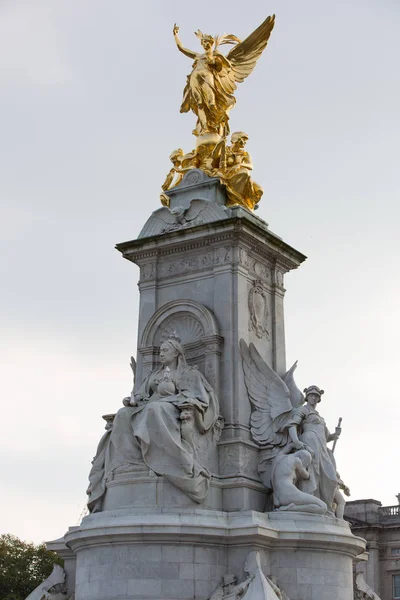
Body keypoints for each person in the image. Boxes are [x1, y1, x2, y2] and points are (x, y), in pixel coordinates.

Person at [87, 339, 219, 511]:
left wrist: (170, 398)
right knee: (123, 414)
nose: (161, 353)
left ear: (176, 353)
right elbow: (141, 395)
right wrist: (132, 400)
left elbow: (198, 397)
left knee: (154, 410)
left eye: (165, 350)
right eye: (160, 350)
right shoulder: (154, 375)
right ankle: (129, 463)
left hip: (173, 410)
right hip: (151, 407)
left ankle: (171, 461)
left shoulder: (189, 374)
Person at [173, 24, 235, 137]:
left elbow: (228, 65)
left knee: (211, 103)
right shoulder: (198, 56)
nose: (206, 44)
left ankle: (217, 123)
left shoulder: (215, 54)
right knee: (199, 104)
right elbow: (181, 48)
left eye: (208, 42)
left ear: (211, 43)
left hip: (208, 77)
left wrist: (217, 60)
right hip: (195, 77)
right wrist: (175, 35)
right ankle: (205, 127)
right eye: (204, 42)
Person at [286, 385, 340, 513]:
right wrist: (296, 441)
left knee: (331, 477)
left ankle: (325, 506)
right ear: (307, 397)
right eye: (312, 395)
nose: (314, 398)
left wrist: (335, 435)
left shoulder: (319, 416)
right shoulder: (303, 410)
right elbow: (292, 425)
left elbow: (326, 437)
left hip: (321, 446)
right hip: (309, 441)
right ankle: (311, 503)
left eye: (316, 396)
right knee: (313, 473)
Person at [271, 448, 327, 514]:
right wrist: (309, 470)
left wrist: (292, 445)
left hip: (279, 496)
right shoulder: (296, 460)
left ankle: (291, 507)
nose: (304, 465)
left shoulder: (281, 457)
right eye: (306, 463)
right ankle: (291, 508)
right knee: (322, 506)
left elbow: (285, 449)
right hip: (289, 493)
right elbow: (306, 475)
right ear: (303, 459)